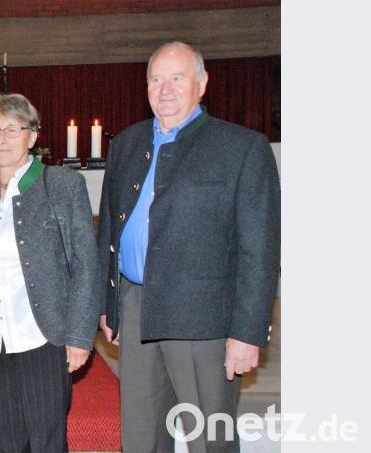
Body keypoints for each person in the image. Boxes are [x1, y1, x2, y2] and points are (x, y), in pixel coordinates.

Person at [97, 41, 281, 452]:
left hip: (205, 322)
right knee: (142, 439)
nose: (165, 89)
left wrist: (247, 333)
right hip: (137, 308)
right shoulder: (126, 144)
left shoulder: (242, 149)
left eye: (177, 78)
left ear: (202, 84)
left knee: (208, 441)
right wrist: (109, 306)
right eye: (156, 79)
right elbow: (109, 230)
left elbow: (260, 250)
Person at [0, 94, 101, 452]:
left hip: (42, 333)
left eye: (12, 130)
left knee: (45, 436)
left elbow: (86, 265)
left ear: (32, 136)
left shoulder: (61, 186)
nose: (1, 139)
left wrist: (79, 335)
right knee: (5, 434)